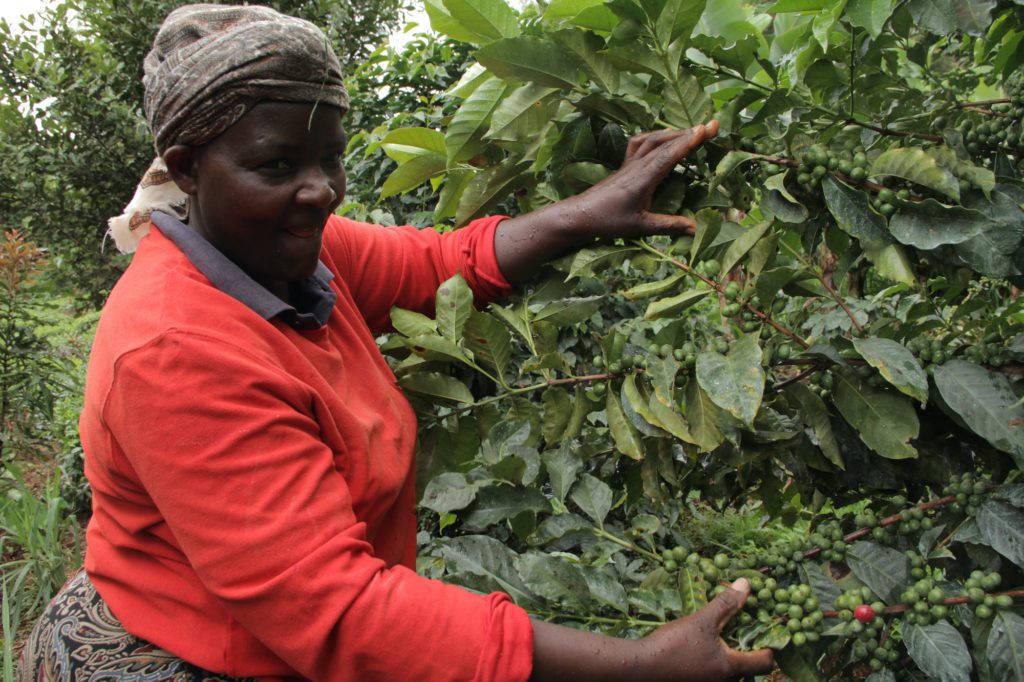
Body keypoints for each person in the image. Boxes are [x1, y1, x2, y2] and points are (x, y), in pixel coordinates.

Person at [19, 4, 774, 681]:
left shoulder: (293, 249)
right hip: (192, 653)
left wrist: (586, 211)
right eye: (277, 165)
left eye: (330, 158)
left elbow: (437, 265)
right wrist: (642, 666)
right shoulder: (174, 348)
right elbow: (344, 613)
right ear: (186, 168)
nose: (320, 190)